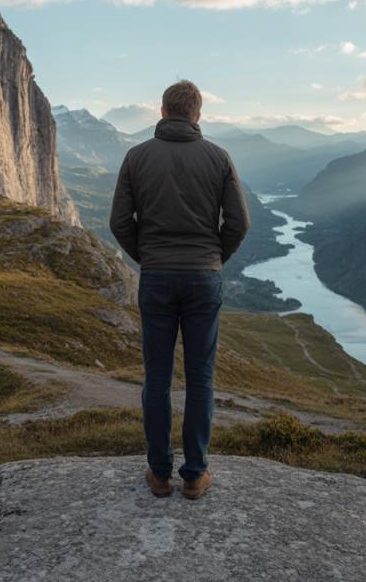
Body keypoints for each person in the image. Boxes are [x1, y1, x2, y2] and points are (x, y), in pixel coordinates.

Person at [109, 80, 249, 500]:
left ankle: (158, 474)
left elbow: (120, 222)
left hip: (156, 277)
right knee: (200, 379)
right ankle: (194, 474)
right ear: (198, 115)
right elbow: (238, 223)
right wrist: (213, 259)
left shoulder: (136, 157)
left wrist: (147, 256)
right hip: (203, 278)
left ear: (163, 110)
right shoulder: (219, 158)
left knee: (157, 378)